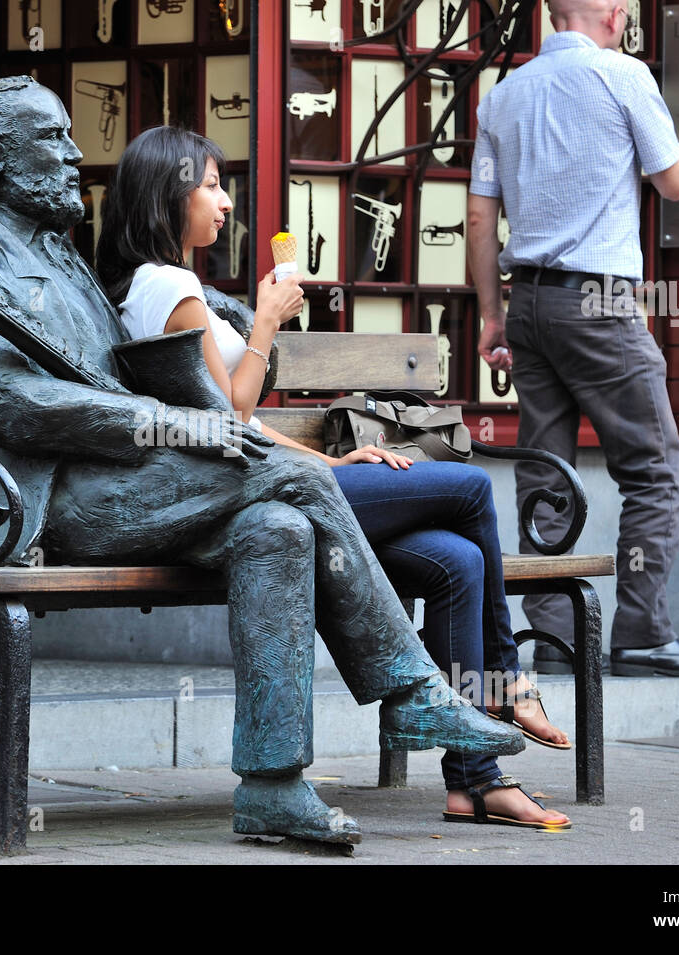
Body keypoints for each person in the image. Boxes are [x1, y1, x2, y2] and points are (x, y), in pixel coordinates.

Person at [0, 75, 525, 846]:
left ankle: (273, 786)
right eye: (52, 139)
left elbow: (117, 369)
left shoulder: (60, 260)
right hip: (46, 503)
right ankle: (409, 688)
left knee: (276, 526)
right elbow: (19, 406)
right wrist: (175, 425)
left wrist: (197, 394)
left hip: (119, 481)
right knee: (298, 474)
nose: (75, 153)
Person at [98, 126, 570, 830]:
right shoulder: (167, 286)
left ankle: (474, 783)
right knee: (470, 490)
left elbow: (248, 428)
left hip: (281, 480)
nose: (223, 203)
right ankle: (505, 683)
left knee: (459, 561)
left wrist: (333, 461)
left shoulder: (164, 285)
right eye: (209, 185)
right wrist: (265, 322)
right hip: (246, 499)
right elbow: (229, 412)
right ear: (168, 194)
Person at [467, 0, 679, 677]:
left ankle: (555, 642)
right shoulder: (624, 77)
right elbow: (674, 181)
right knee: (653, 469)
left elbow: (479, 219)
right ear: (615, 15)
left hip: (527, 299)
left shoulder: (502, 96)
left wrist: (491, 315)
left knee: (546, 468)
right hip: (599, 299)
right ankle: (642, 631)